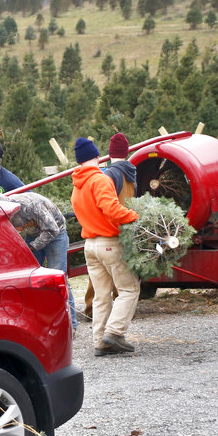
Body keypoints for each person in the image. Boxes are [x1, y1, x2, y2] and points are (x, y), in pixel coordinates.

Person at [70, 137, 140, 357]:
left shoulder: (77, 185)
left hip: (89, 245)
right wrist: (135, 216)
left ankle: (100, 341)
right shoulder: (99, 180)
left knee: (101, 296)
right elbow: (111, 209)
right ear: (98, 157)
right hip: (109, 243)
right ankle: (114, 332)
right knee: (129, 289)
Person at [0, 190, 77, 330]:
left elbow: (52, 230)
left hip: (55, 233)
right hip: (33, 234)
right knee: (29, 278)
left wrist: (33, 247)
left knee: (58, 277)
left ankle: (71, 325)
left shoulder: (30, 206)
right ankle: (39, 322)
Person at [83, 132, 137, 319]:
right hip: (126, 226)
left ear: (109, 151)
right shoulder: (131, 171)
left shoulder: (110, 174)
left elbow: (107, 205)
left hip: (109, 229)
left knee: (99, 279)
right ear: (127, 151)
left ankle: (91, 310)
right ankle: (120, 312)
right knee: (122, 276)